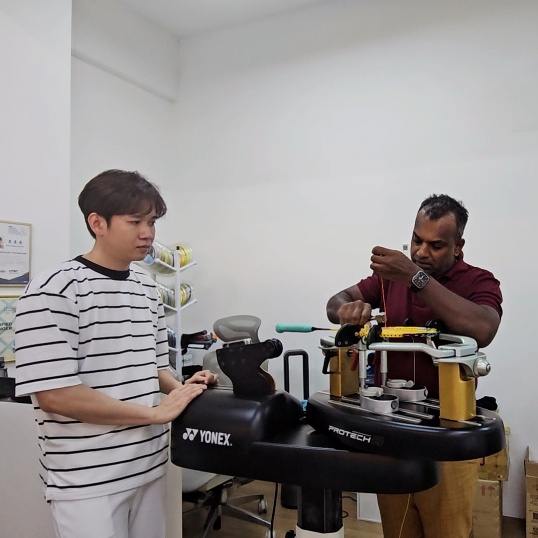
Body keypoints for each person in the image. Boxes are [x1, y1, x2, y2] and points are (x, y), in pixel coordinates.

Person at [15, 169, 217, 538]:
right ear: (97, 223)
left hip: (150, 465)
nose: (148, 233)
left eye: (152, 222)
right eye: (135, 221)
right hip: (87, 478)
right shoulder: (54, 288)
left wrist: (183, 388)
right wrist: (154, 414)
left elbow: (154, 365)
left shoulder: (146, 286)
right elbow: (55, 395)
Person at [326, 194, 502, 538]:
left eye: (436, 245)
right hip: (392, 429)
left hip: (448, 434)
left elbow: (484, 328)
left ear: (458, 246)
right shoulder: (388, 278)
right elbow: (336, 302)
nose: (421, 252)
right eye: (416, 240)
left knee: (447, 531)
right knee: (398, 530)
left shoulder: (479, 282)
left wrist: (416, 279)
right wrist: (348, 309)